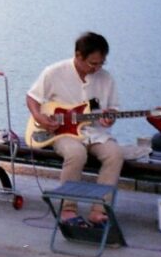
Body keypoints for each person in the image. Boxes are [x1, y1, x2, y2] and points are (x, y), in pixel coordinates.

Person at [26, 32, 123, 226]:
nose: (97, 68)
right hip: (63, 133)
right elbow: (32, 98)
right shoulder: (54, 72)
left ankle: (99, 210)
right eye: (92, 63)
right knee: (76, 154)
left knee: (115, 154)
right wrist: (39, 117)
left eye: (101, 63)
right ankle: (68, 209)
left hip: (95, 133)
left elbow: (112, 108)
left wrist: (109, 117)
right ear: (78, 55)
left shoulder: (106, 79)